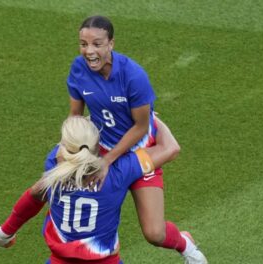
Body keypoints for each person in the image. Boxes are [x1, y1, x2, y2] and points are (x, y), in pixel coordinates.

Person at [0, 116, 204, 263]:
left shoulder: (54, 166)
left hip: (61, 260)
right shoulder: (120, 170)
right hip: (102, 261)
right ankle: (3, 235)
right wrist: (149, 118)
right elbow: (171, 147)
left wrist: (7, 230)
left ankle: (3, 234)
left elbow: (35, 194)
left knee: (38, 191)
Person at [66, 15, 207, 263]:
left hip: (140, 154)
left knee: (154, 233)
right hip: (102, 154)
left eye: (97, 44)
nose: (89, 51)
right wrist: (69, 152)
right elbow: (75, 118)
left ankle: (184, 242)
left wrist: (108, 160)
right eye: (83, 44)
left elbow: (141, 127)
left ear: (111, 43)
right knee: (89, 224)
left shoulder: (133, 76)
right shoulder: (78, 70)